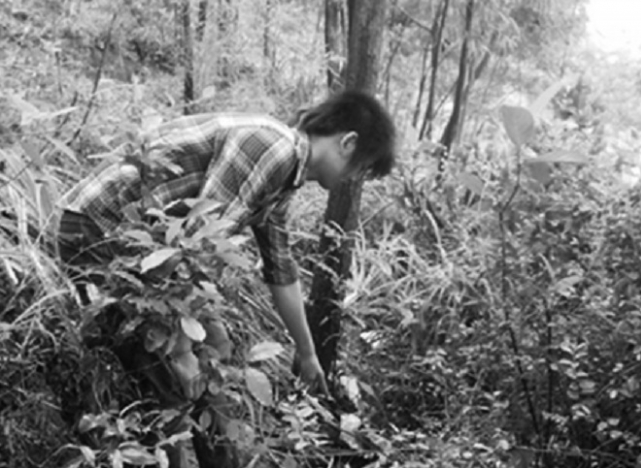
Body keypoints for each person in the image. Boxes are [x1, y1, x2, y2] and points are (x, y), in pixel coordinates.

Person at [57, 89, 396, 465]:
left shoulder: (286, 174)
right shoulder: (271, 148)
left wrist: (307, 352)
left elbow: (281, 271)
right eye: (361, 170)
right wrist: (181, 350)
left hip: (150, 254)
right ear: (348, 143)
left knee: (215, 351)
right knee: (168, 382)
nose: (354, 179)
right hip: (98, 231)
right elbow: (196, 241)